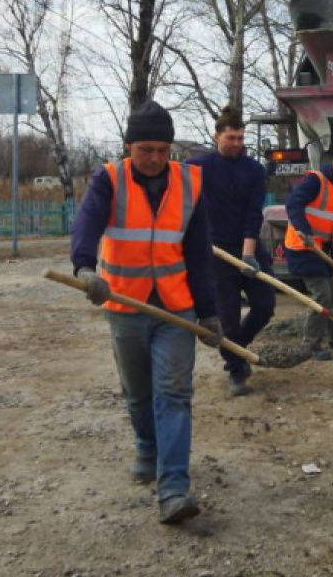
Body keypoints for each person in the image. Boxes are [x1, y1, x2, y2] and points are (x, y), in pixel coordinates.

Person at [69, 100, 224, 524]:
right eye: (146, 150)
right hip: (125, 306)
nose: (155, 159)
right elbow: (86, 225)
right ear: (128, 147)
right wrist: (85, 269)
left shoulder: (189, 183)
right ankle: (147, 447)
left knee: (174, 394)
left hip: (175, 309)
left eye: (162, 150)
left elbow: (197, 251)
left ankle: (174, 487)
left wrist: (208, 313)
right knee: (138, 393)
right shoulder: (109, 179)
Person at [188, 106, 275, 398]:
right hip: (215, 250)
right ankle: (236, 370)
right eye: (232, 137)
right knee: (227, 315)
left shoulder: (253, 169)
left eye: (241, 138)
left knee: (265, 305)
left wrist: (249, 254)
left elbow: (254, 213)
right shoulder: (198, 168)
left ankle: (238, 348)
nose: (237, 143)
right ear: (217, 136)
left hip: (247, 246)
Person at [283, 151, 333, 360]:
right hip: (301, 247)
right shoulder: (315, 181)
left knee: (331, 293)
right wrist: (304, 231)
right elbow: (293, 203)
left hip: (321, 249)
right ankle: (311, 343)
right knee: (322, 296)